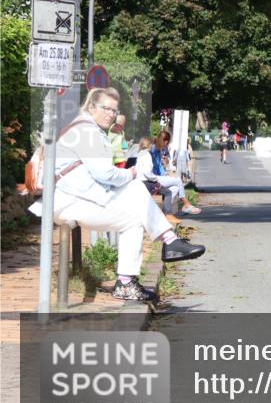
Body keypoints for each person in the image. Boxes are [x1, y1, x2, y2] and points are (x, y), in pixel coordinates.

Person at [30, 88, 206, 301]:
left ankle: (138, 271)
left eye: (114, 110)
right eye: (106, 108)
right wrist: (131, 173)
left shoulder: (83, 127)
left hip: (73, 197)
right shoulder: (86, 131)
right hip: (69, 202)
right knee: (133, 204)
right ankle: (160, 250)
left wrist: (128, 178)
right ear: (92, 107)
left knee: (134, 208)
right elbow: (104, 173)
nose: (111, 114)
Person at [141, 134, 202, 217]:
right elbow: (152, 170)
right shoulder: (153, 149)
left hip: (157, 177)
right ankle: (186, 204)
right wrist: (165, 176)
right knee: (178, 180)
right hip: (153, 178)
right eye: (168, 142)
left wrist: (167, 175)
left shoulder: (158, 150)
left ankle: (163, 211)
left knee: (175, 188)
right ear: (165, 142)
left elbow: (159, 167)